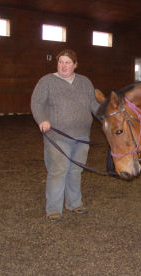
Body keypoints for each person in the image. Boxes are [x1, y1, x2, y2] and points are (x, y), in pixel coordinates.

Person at [31, 49, 100, 222]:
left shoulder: (85, 82)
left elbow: (93, 104)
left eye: (68, 62)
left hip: (82, 136)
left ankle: (74, 203)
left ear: (75, 65)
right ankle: (54, 209)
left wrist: (108, 118)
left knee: (76, 170)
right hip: (57, 136)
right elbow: (36, 103)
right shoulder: (47, 81)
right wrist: (42, 120)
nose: (63, 65)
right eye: (61, 62)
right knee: (58, 171)